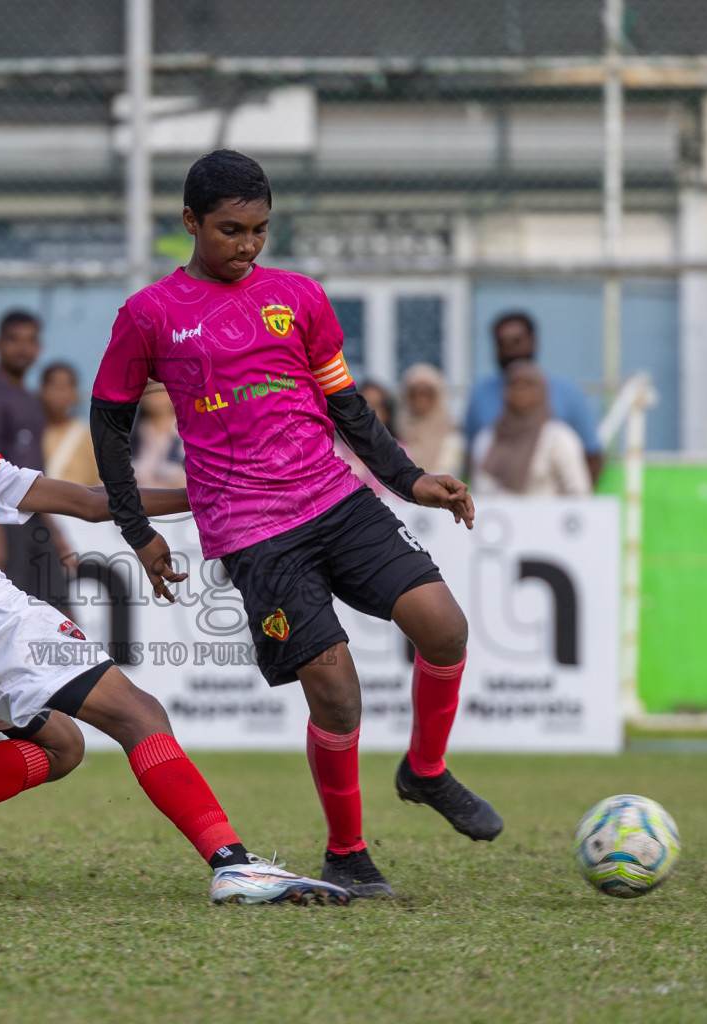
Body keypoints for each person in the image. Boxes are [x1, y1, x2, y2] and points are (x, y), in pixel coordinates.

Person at [90, 149, 503, 900]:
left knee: (443, 626)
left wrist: (410, 480)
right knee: (335, 685)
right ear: (189, 222)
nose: (247, 245)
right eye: (229, 230)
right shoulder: (149, 314)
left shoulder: (300, 298)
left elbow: (347, 408)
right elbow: (109, 422)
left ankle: (426, 770)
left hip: (337, 500)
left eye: (259, 229)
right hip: (252, 532)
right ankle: (348, 852)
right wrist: (135, 528)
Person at [0, 287, 348, 906]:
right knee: (140, 714)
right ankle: (234, 864)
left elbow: (88, 501)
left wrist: (224, 487)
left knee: (61, 745)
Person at [0, 309, 66, 601]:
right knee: (14, 613)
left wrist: (52, 526)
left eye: (30, 340)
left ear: (39, 347)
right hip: (6, 523)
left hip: (35, 517)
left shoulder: (30, 398)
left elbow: (33, 469)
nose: (22, 348)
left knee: (58, 611)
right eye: (14, 340)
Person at [463, 310, 603, 484]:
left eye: (517, 341)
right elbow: (472, 462)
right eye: (502, 343)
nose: (510, 349)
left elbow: (591, 457)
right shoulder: (481, 399)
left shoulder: (567, 398)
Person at [470, 361, 593, 497]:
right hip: (498, 517)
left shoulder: (558, 438)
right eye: (513, 384)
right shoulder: (488, 438)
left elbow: (578, 491)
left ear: (542, 392)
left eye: (528, 385)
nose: (520, 390)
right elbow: (480, 490)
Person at [40, 361, 102, 486]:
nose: (59, 393)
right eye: (54, 386)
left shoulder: (88, 435)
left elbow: (99, 481)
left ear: (75, 393)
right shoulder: (33, 430)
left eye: (66, 387)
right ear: (42, 391)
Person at [397, 363, 464, 477]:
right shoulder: (398, 431)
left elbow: (446, 473)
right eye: (414, 392)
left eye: (426, 392)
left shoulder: (451, 437)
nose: (420, 398)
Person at [131, 384, 188, 488]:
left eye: (161, 382)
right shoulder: (126, 439)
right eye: (147, 384)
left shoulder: (195, 437)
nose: (154, 388)